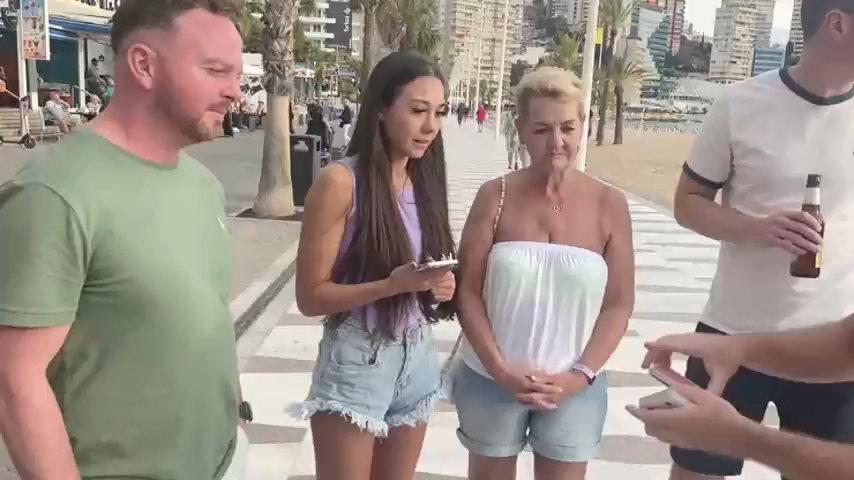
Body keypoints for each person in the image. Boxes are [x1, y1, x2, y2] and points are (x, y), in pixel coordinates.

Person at [0, 1, 250, 479]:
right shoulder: (53, 194)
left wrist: (236, 414)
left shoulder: (203, 185)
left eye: (236, 74)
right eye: (216, 70)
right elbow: (15, 381)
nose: (235, 91)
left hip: (223, 460)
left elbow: (207, 314)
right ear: (143, 65)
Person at [662, 2, 854, 479]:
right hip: (731, 333)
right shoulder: (739, 103)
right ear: (837, 23)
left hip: (832, 348)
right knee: (696, 472)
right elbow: (687, 202)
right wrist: (757, 228)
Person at [451, 66, 635, 480]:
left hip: (575, 388)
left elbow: (619, 304)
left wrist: (579, 376)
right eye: (541, 129)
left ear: (584, 126)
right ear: (520, 129)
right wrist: (500, 370)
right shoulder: (494, 195)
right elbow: (468, 293)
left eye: (568, 128)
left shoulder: (609, 204)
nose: (556, 142)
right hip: (490, 379)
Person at [287, 50, 457, 480]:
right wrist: (391, 285)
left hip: (418, 356)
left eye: (439, 112)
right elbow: (310, 297)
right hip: (358, 359)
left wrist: (441, 286)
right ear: (382, 108)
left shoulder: (425, 179)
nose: (431, 126)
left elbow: (426, 273)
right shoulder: (340, 183)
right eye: (418, 110)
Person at [629, 311, 854, 480]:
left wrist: (740, 438)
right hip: (730, 319)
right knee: (697, 468)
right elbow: (847, 343)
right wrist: (735, 348)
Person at [501, 105, 527, 170]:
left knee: (514, 150)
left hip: (515, 134)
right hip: (513, 134)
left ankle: (514, 163)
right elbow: (507, 125)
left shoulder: (517, 116)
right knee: (513, 150)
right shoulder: (511, 116)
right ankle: (512, 163)